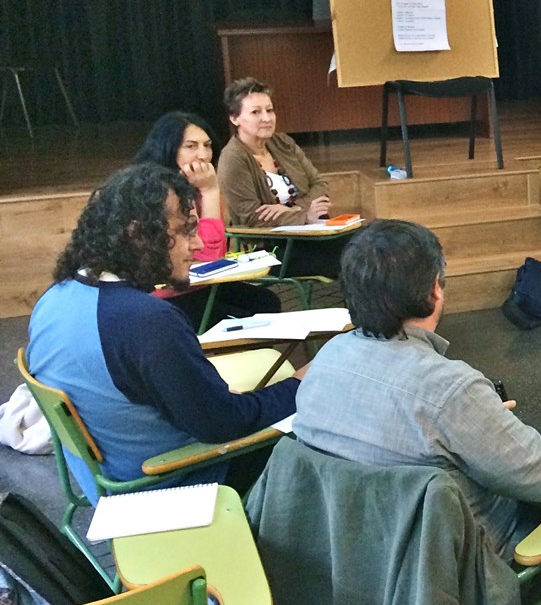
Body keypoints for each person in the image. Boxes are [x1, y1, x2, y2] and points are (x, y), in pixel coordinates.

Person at [291, 219, 541, 556]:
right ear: (435, 290)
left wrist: (479, 422)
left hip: (356, 552)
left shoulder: (326, 359)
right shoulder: (452, 389)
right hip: (458, 563)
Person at [26, 164, 301, 499]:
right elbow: (224, 424)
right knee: (324, 434)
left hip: (111, 482)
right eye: (185, 231)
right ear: (139, 234)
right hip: (175, 485)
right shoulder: (145, 322)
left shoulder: (53, 299)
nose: (198, 243)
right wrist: (304, 383)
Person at [133, 111, 283, 326]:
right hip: (166, 293)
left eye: (207, 145)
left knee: (266, 302)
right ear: (168, 149)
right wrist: (210, 191)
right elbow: (207, 256)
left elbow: (216, 254)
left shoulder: (196, 185)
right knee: (247, 319)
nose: (203, 155)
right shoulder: (155, 191)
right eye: (191, 146)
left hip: (201, 284)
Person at [216, 77, 344, 278]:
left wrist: (295, 209)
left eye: (270, 110)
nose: (267, 118)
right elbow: (252, 217)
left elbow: (319, 184)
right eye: (256, 112)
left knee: (367, 241)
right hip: (273, 248)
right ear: (235, 118)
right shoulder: (232, 159)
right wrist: (304, 216)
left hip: (314, 233)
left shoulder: (283, 142)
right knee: (350, 260)